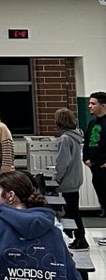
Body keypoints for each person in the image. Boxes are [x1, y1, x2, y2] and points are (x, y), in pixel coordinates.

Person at [54, 107, 88, 249]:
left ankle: (80, 238)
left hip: (67, 180)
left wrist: (56, 177)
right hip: (75, 178)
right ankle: (72, 237)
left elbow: (62, 162)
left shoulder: (65, 139)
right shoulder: (76, 135)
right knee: (72, 210)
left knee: (71, 211)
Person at [83, 90, 106, 217]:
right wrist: (86, 158)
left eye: (93, 103)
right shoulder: (92, 123)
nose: (89, 106)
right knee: (102, 198)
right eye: (89, 103)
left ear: (103, 106)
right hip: (95, 166)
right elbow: (87, 142)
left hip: (104, 165)